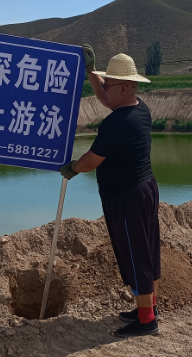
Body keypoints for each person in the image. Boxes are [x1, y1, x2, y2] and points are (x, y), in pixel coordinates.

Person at [59, 46, 162, 338]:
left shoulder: (117, 123)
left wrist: (72, 168)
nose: (103, 89)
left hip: (128, 196)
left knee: (136, 254)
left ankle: (146, 321)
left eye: (108, 84)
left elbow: (91, 161)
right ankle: (148, 308)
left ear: (125, 87)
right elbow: (106, 99)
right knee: (146, 250)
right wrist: (92, 72)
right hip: (144, 189)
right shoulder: (139, 109)